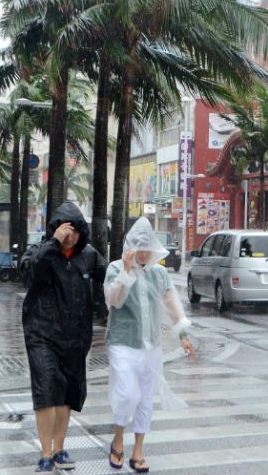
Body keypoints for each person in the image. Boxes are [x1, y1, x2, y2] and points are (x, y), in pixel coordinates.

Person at [19, 202, 108, 473]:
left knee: (68, 392)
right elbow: (28, 274)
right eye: (65, 230)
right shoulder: (40, 250)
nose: (71, 236)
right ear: (55, 229)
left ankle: (59, 450)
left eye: (75, 230)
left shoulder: (89, 256)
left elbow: (112, 279)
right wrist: (53, 244)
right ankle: (45, 454)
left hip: (75, 336)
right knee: (46, 389)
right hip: (42, 334)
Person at [103, 217, 196, 473]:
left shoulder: (159, 273)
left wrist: (183, 335)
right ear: (130, 247)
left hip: (151, 346)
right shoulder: (115, 268)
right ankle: (118, 438)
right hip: (122, 342)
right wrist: (126, 273)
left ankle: (138, 450)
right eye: (139, 248)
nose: (143, 254)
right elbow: (113, 300)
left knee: (145, 398)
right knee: (126, 394)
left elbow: (172, 304)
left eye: (147, 248)